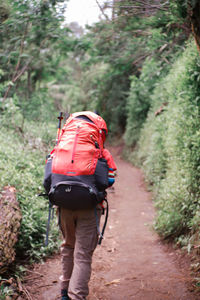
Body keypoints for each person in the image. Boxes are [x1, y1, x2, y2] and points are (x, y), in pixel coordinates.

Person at [44, 111, 116, 300]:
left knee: (68, 247)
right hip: (89, 208)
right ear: (98, 132)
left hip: (64, 206)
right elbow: (109, 179)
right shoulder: (100, 151)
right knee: (83, 254)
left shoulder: (60, 146)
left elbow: (48, 176)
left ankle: (64, 292)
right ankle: (77, 296)